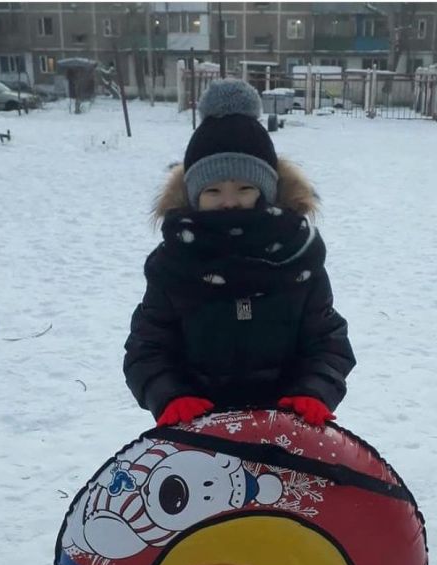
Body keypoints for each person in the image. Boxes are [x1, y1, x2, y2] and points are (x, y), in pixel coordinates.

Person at [124, 79, 355, 428]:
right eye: (213, 190)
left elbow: (327, 341)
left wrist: (314, 391)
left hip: (285, 428)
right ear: (194, 196)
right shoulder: (175, 265)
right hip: (199, 429)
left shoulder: (297, 258)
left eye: (245, 188)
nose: (229, 201)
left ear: (267, 190)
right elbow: (147, 347)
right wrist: (169, 395)